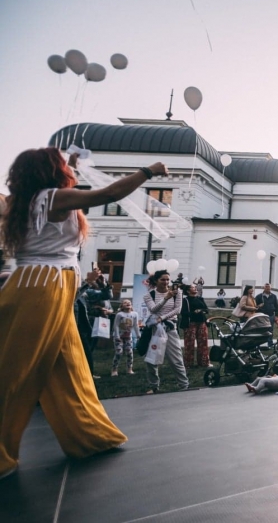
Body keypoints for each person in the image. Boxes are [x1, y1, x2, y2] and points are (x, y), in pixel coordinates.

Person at [0, 148, 168, 477]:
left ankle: (89, 435)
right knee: (16, 371)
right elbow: (109, 193)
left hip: (48, 287)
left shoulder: (25, 201)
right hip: (43, 288)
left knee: (69, 367)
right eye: (61, 165)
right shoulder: (52, 197)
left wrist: (74, 165)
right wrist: (148, 171)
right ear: (50, 171)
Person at [143, 269, 190, 394]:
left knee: (176, 358)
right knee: (152, 359)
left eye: (168, 279)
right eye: (162, 280)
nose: (166, 282)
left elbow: (177, 310)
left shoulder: (177, 292)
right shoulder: (149, 295)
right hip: (154, 330)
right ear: (156, 281)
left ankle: (184, 385)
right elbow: (153, 309)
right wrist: (165, 298)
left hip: (169, 328)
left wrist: (162, 318)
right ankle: (154, 386)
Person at [182, 284, 210, 367]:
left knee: (203, 343)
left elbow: (206, 309)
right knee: (189, 344)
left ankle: (204, 362)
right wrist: (193, 313)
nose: (195, 288)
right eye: (193, 287)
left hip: (201, 322)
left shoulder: (200, 298)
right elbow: (183, 312)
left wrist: (202, 311)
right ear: (188, 290)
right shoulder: (185, 300)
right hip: (191, 323)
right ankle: (188, 363)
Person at [111, 300, 139, 376]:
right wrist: (117, 336)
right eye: (125, 302)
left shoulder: (134, 314)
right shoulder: (120, 314)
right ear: (122, 306)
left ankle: (129, 369)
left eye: (129, 302)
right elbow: (116, 325)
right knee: (119, 352)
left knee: (129, 352)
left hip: (128, 337)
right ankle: (114, 369)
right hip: (119, 337)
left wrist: (138, 335)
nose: (127, 303)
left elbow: (136, 325)